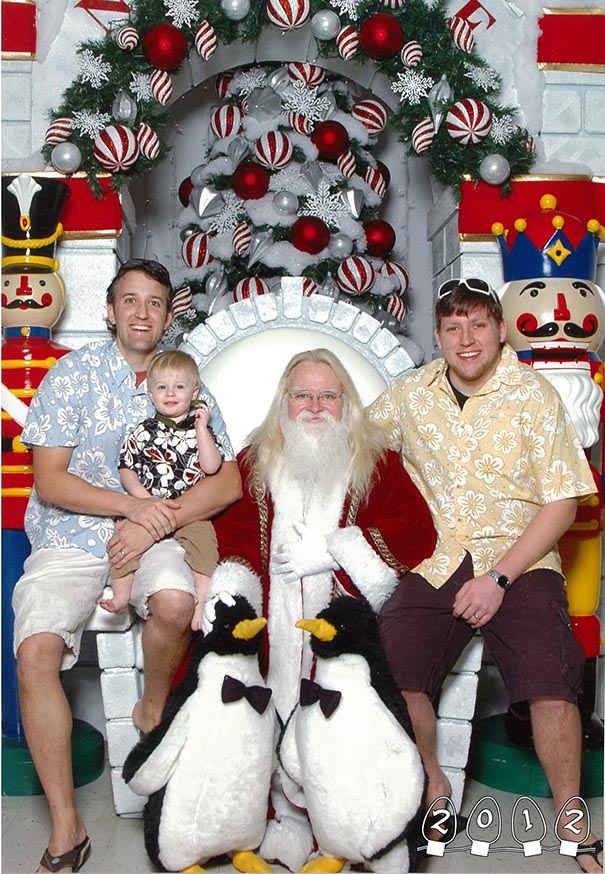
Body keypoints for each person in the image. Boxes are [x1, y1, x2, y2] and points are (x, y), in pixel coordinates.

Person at [12, 258, 242, 874]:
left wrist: (157, 521)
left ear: (168, 316)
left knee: (173, 603)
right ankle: (67, 828)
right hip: (72, 536)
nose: (143, 312)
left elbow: (225, 483)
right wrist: (134, 506)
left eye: (156, 303)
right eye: (130, 301)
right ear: (109, 311)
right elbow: (52, 481)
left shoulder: (185, 381)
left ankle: (152, 706)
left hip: (153, 533)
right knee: (34, 652)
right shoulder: (71, 376)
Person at [369, 278, 603, 873]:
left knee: (552, 679)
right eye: (452, 327)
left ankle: (572, 820)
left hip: (518, 557)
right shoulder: (408, 394)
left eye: (478, 325)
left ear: (501, 330)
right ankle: (433, 787)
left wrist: (498, 579)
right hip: (438, 556)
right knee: (394, 665)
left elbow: (562, 504)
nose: (466, 339)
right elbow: (355, 447)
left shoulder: (535, 396)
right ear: (438, 335)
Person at [203, 347, 437, 872]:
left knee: (343, 728)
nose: (314, 407)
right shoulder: (251, 463)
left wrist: (339, 547)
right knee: (257, 719)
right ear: (284, 403)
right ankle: (281, 821)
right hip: (268, 634)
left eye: (328, 396)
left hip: (344, 636)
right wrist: (232, 587)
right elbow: (231, 536)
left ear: (346, 404)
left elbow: (419, 532)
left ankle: (347, 828)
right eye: (302, 395)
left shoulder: (378, 464)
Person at [98, 349, 222, 632]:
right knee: (121, 541)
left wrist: (202, 428)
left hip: (188, 511)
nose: (170, 393)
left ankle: (203, 599)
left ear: (194, 392)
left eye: (179, 387)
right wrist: (144, 500)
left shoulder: (200, 431)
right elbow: (126, 468)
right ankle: (120, 595)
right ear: (151, 393)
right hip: (147, 507)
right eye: (162, 387)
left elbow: (212, 466)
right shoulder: (142, 431)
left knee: (206, 546)